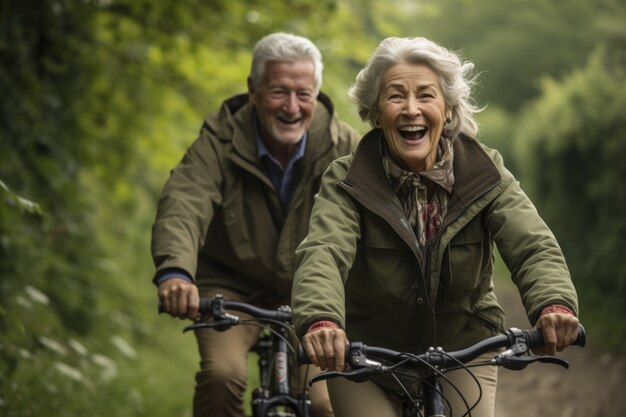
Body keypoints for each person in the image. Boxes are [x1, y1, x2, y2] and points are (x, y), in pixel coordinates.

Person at [291, 36, 580, 417]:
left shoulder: (485, 172)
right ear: (376, 113)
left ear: (448, 109)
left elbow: (532, 245)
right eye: (396, 96)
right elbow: (324, 250)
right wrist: (322, 319)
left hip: (463, 342)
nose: (411, 109)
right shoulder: (348, 179)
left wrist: (553, 304)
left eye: (426, 95)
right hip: (367, 350)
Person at [152, 32, 360, 417]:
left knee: (323, 402)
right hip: (231, 287)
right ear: (253, 90)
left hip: (316, 291)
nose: (292, 107)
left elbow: (376, 216)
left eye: (304, 93)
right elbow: (185, 200)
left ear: (316, 92)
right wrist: (176, 272)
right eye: (279, 92)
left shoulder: (344, 146)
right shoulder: (221, 139)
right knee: (222, 376)